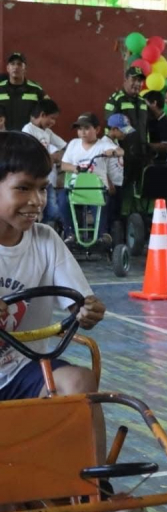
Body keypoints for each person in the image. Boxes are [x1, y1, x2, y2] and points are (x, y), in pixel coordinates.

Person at [0, 132, 107, 469]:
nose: (37, 200)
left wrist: (87, 310)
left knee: (78, 382)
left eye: (43, 188)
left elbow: (79, 300)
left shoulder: (45, 239)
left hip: (21, 372)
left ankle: (94, 491)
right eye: (23, 188)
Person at [60, 114, 120, 243]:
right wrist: (74, 168)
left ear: (97, 130)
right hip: (76, 188)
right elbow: (64, 165)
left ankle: (102, 235)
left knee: (100, 203)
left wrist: (112, 152)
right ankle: (70, 233)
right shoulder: (73, 144)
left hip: (97, 188)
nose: (82, 132)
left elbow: (120, 151)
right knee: (63, 200)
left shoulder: (103, 145)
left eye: (86, 128)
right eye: (80, 129)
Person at [21, 100, 66, 229]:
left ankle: (47, 230)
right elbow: (29, 155)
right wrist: (51, 157)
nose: (53, 123)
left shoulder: (47, 132)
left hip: (48, 179)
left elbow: (64, 145)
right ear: (42, 114)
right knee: (47, 210)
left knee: (52, 210)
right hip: (35, 179)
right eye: (52, 118)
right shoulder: (28, 129)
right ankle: (43, 230)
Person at [0, 52, 47, 131]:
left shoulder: (36, 89)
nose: (16, 67)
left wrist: (40, 121)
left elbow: (50, 109)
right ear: (7, 68)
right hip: (4, 137)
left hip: (27, 137)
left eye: (19, 64)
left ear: (25, 69)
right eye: (12, 64)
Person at [104, 66, 149, 144]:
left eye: (140, 80)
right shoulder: (116, 100)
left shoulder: (143, 102)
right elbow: (110, 128)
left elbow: (146, 128)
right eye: (134, 79)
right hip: (122, 151)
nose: (137, 83)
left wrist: (147, 146)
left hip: (142, 150)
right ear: (125, 80)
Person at [141, 90, 167, 157]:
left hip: (160, 164)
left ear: (154, 103)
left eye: (145, 104)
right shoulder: (150, 121)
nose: (144, 107)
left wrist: (145, 145)